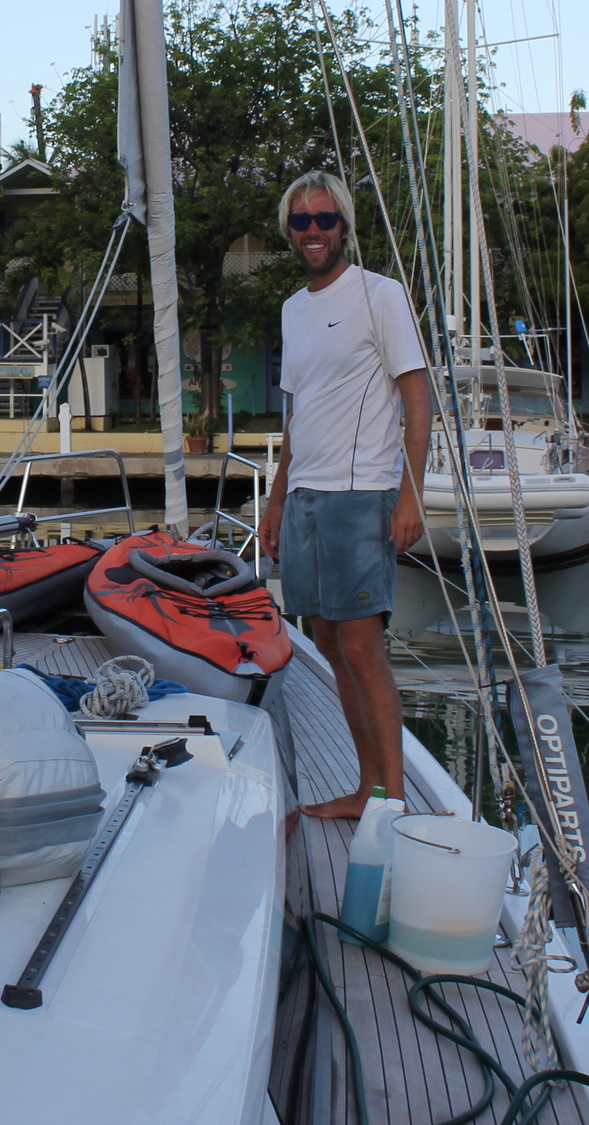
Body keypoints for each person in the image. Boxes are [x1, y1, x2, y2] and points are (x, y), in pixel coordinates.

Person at [256, 171, 431, 820]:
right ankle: (367, 787)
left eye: (324, 219)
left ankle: (395, 796)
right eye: (300, 221)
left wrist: (409, 495)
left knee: (362, 647)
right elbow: (296, 414)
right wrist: (275, 501)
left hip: (362, 495)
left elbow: (417, 398)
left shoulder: (380, 295)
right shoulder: (292, 309)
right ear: (288, 230)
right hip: (305, 498)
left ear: (344, 226)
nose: (312, 232)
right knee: (328, 644)